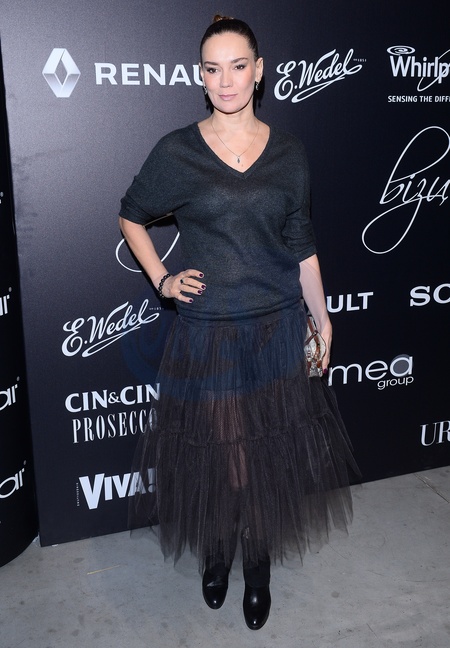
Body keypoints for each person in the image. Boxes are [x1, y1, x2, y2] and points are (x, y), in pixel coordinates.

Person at [119, 15, 358, 631]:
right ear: (200, 77)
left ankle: (257, 558)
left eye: (237, 66)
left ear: (259, 71)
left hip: (276, 326)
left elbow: (302, 246)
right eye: (212, 68)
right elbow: (132, 214)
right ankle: (218, 544)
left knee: (267, 452)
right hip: (209, 332)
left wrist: (322, 319)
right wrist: (162, 280)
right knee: (224, 450)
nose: (225, 81)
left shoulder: (289, 153)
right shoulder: (177, 151)